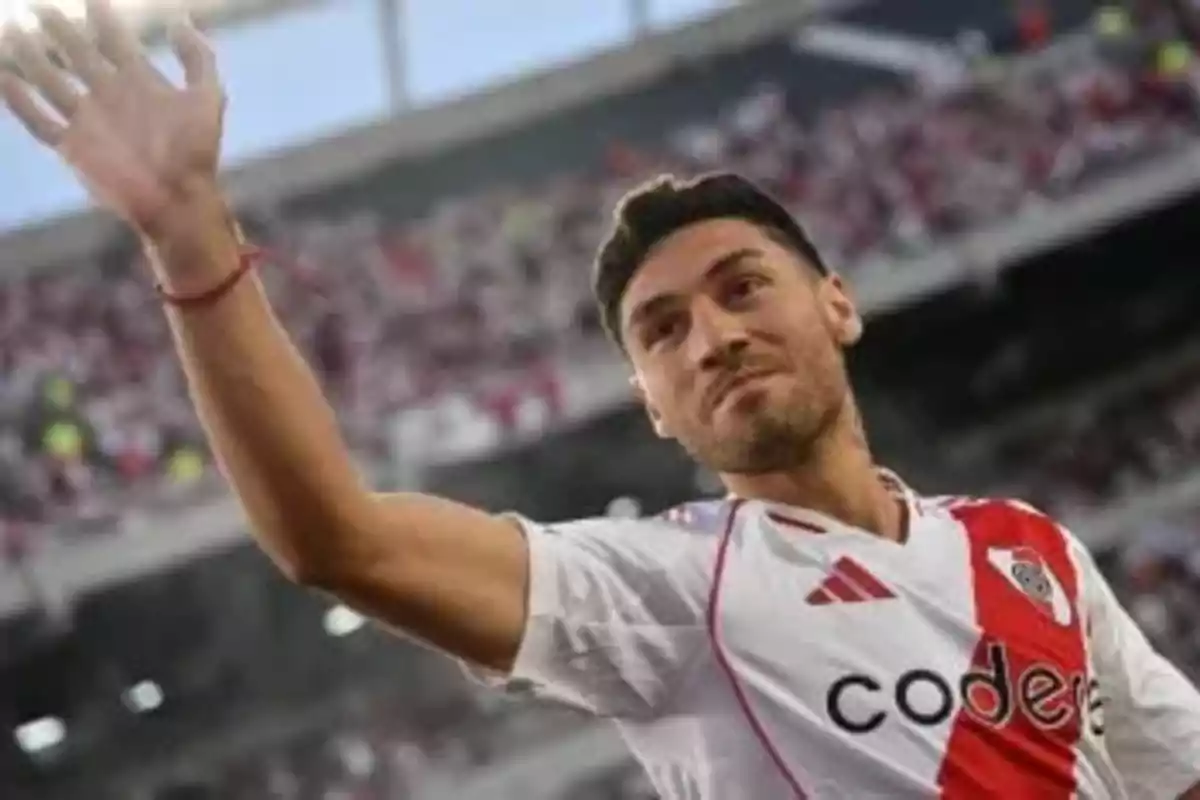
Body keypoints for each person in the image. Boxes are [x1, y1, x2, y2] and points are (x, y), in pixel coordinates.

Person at [3, 3, 1199, 797]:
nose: (714, 336)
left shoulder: (1030, 548)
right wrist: (188, 232)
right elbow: (337, 538)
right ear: (655, 406)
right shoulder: (668, 590)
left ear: (837, 302)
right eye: (663, 331)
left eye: (743, 288)